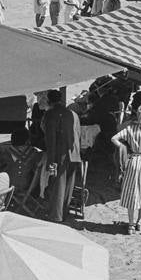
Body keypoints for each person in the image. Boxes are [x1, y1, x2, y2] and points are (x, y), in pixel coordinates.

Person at [111, 102, 141, 233]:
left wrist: (123, 147)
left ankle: (131, 224)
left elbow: (114, 138)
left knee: (132, 194)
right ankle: (139, 221)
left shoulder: (131, 129)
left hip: (133, 162)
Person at [42, 89, 81, 223]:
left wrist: (51, 161)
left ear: (49, 101)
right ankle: (64, 213)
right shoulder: (73, 114)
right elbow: (78, 134)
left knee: (58, 185)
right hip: (74, 153)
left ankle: (56, 216)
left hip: (60, 153)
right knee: (68, 185)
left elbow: (50, 138)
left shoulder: (50, 115)